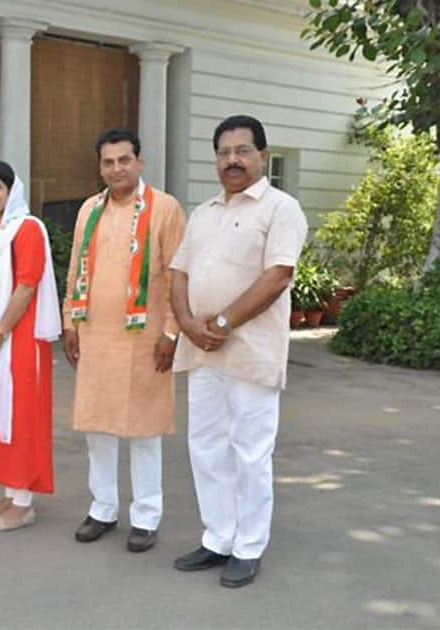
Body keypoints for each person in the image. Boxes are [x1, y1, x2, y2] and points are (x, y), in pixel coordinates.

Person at [170, 115, 308, 588]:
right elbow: (179, 273)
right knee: (206, 447)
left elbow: (278, 276)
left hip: (250, 350)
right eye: (224, 152)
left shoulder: (281, 208)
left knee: (250, 450)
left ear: (263, 157)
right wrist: (188, 325)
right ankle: (217, 538)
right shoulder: (204, 211)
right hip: (202, 350)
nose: (232, 159)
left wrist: (224, 323)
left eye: (243, 150)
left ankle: (249, 546)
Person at [62, 129, 186, 552]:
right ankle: (102, 509)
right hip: (95, 335)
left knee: (143, 429)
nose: (116, 169)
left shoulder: (165, 209)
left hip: (144, 339)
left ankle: (146, 516)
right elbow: (76, 268)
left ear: (140, 162)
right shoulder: (89, 211)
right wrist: (69, 322)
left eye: (124, 160)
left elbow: (177, 276)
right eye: (108, 162)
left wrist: (172, 332)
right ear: (100, 167)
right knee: (98, 426)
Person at [0, 160, 61, 532]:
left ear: (12, 191)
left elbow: (27, 285)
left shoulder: (26, 229)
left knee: (19, 415)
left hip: (18, 339)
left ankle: (23, 504)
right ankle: (11, 494)